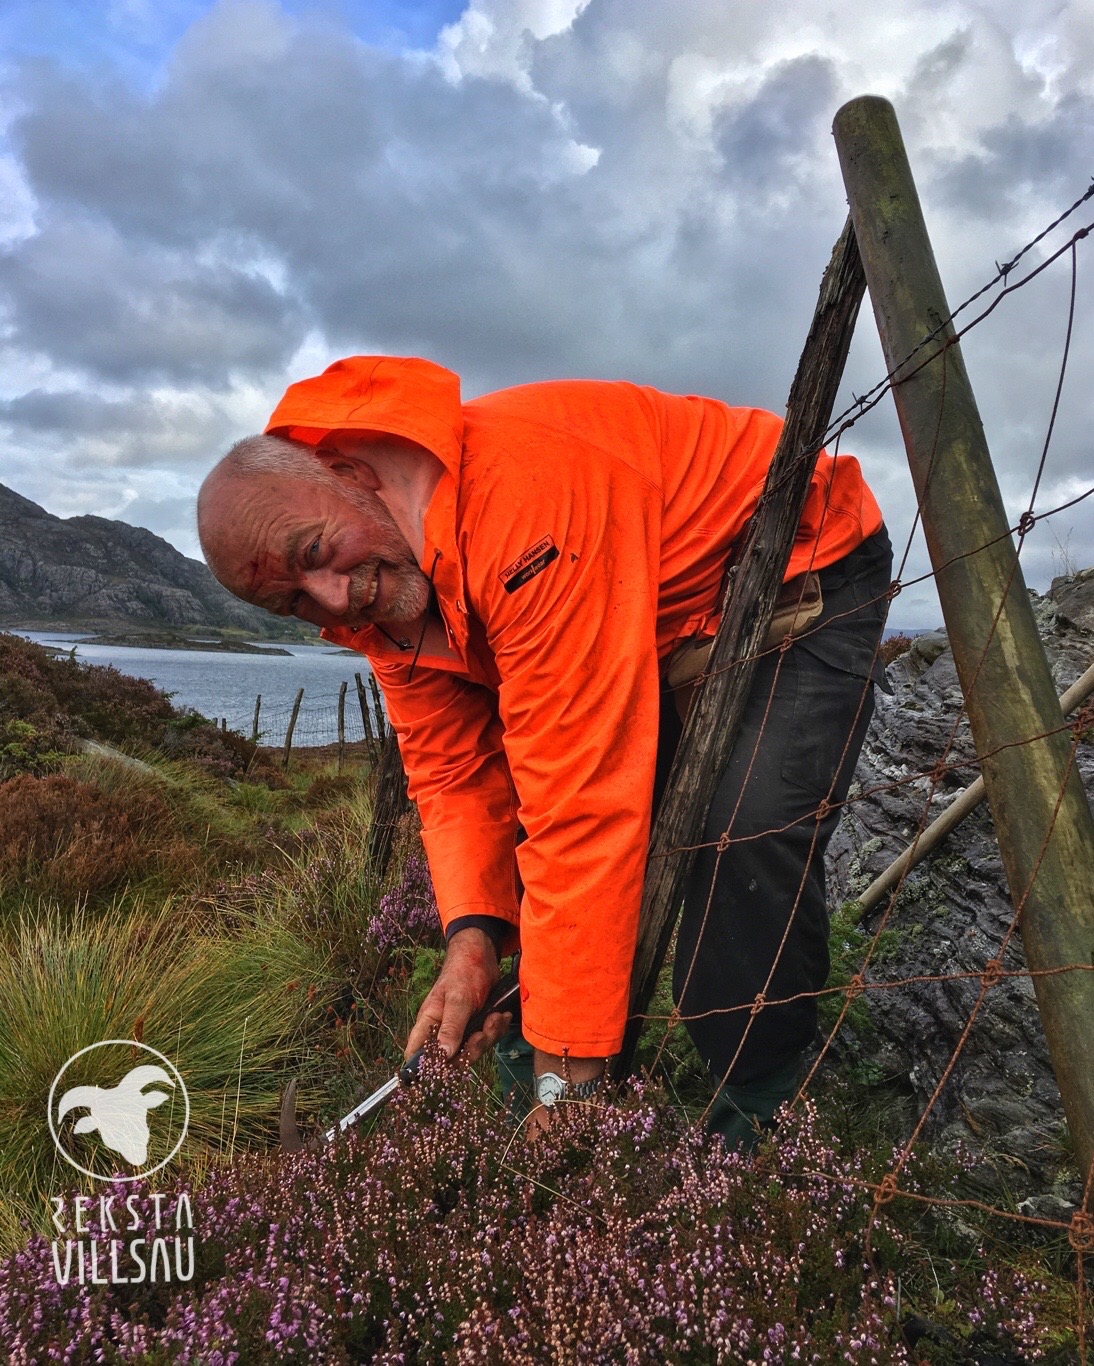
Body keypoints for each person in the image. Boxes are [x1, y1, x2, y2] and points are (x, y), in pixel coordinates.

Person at [198, 354, 891, 1142]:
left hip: (797, 568)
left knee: (741, 839)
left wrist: (572, 1082)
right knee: (539, 879)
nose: (331, 599)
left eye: (315, 552)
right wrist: (472, 941)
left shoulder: (520, 502)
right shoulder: (382, 591)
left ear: (350, 472)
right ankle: (531, 1103)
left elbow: (581, 800)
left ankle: (756, 1133)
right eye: (291, 601)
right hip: (654, 618)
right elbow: (455, 775)